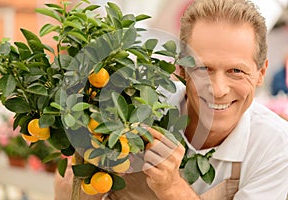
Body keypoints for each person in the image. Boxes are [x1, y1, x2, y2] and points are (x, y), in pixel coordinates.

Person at [54, 0, 288, 199]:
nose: (218, 90)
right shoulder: (135, 104)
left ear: (261, 73)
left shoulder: (274, 145)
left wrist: (171, 187)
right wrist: (92, 160)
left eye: (236, 71)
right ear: (181, 69)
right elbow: (67, 192)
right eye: (203, 68)